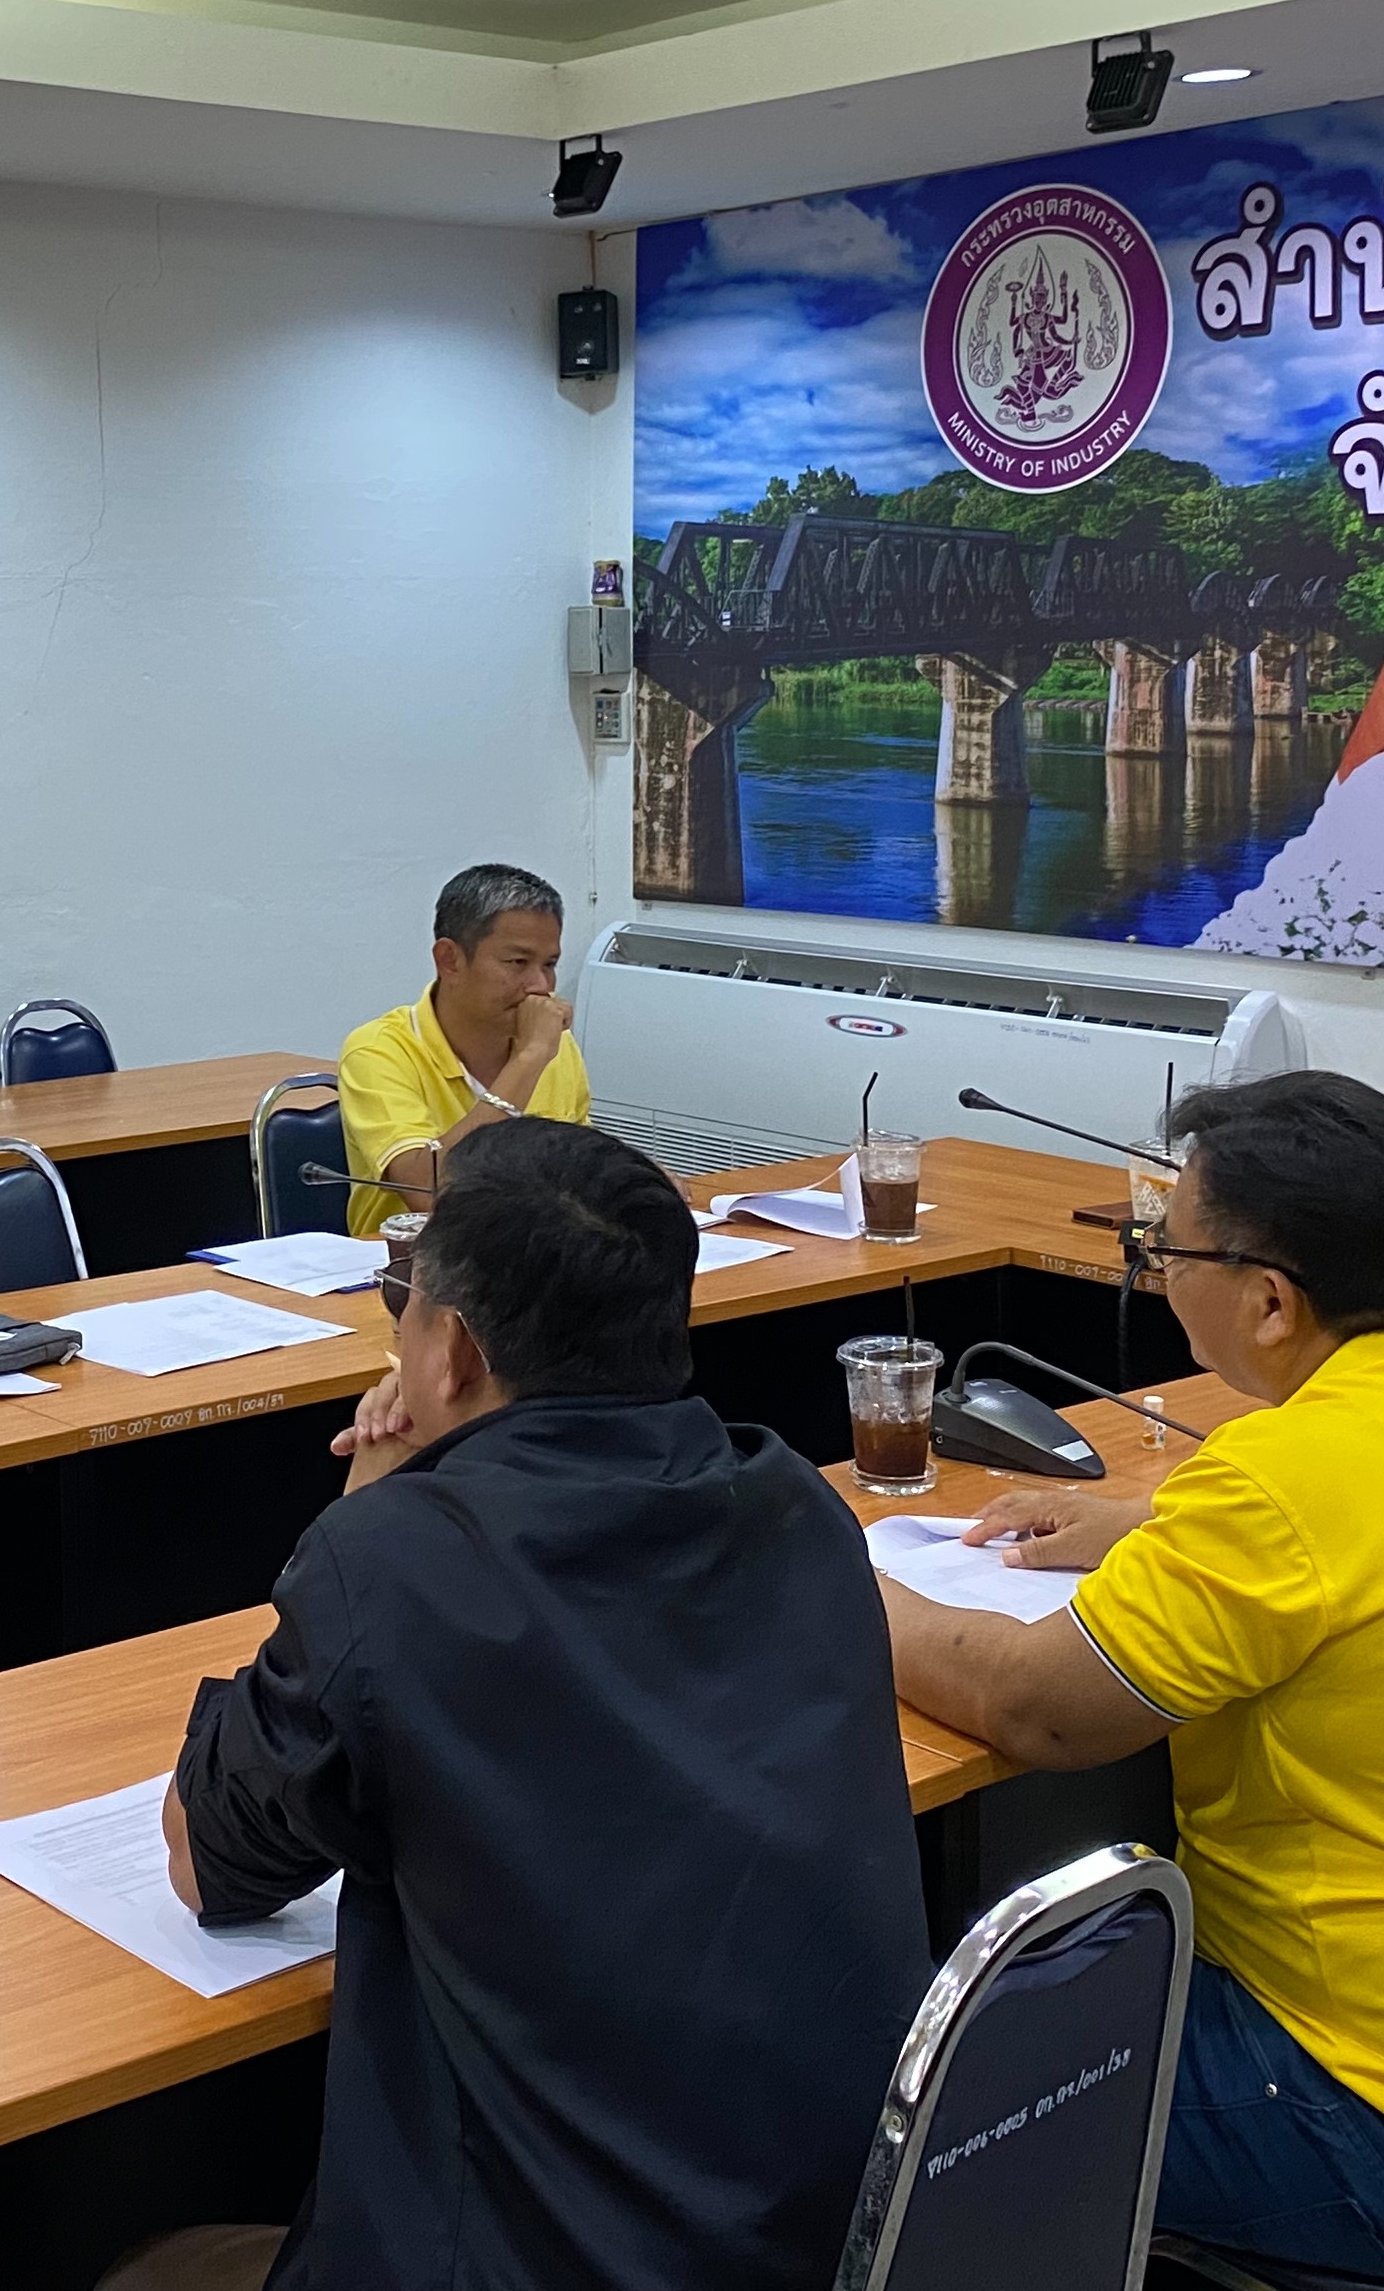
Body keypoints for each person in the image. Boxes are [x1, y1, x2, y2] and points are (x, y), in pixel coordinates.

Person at [885, 1072, 1384, 2290]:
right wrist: (1151, 1518)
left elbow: (1035, 1708)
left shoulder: (1283, 1481)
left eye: (1166, 1251)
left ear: (1270, 1301)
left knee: (903, 2088)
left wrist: (850, 1584)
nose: (1155, 1271)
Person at [126, 1118, 930, 2291]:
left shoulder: (394, 1566)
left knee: (152, 2265)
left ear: (450, 1349)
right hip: (818, 2244)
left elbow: (207, 1863)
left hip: (539, 2258)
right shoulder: (800, 1509)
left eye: (402, 1304)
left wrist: (364, 1509)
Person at [329, 862, 591, 1236]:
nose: (540, 985)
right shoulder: (378, 1050)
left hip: (529, 1252)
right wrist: (529, 1060)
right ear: (449, 960)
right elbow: (427, 1191)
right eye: (518, 962)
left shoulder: (555, 1046)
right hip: (419, 1263)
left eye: (549, 964)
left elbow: (579, 1165)